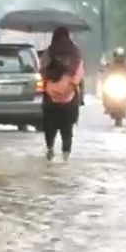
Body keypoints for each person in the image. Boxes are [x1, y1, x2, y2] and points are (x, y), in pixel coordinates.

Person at [39, 27, 84, 160]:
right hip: (70, 95)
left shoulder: (49, 52)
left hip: (50, 95)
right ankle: (66, 154)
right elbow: (79, 73)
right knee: (67, 128)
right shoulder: (75, 52)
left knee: (49, 126)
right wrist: (71, 85)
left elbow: (42, 70)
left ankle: (50, 148)